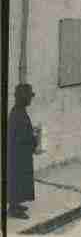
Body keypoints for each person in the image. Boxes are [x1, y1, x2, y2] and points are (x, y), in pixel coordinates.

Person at [7, 84, 37, 219]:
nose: (31, 100)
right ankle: (14, 209)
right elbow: (17, 137)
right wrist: (32, 139)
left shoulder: (20, 111)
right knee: (16, 180)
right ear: (23, 98)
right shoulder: (17, 113)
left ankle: (16, 204)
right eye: (29, 97)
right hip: (17, 155)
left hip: (22, 154)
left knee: (21, 180)